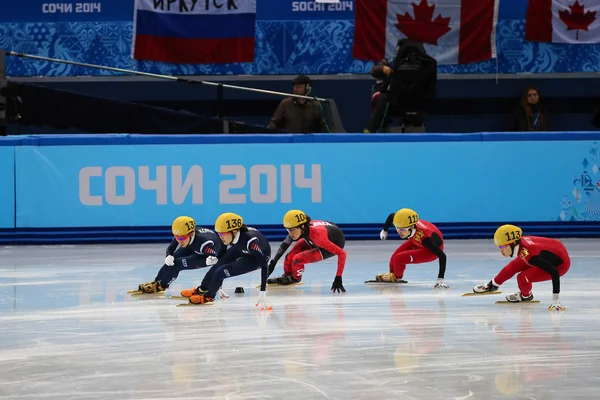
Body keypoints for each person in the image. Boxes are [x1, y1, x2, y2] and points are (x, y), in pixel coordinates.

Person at [180, 212, 272, 307]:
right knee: (216, 266)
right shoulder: (227, 236)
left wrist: (262, 291)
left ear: (235, 231)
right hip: (240, 248)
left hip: (257, 258)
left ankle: (208, 297)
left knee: (221, 272)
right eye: (219, 234)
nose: (221, 237)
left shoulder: (251, 242)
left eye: (223, 234)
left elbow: (264, 265)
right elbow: (221, 255)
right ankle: (201, 290)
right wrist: (215, 259)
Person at [473, 225, 570, 310]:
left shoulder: (531, 256)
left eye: (502, 247)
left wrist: (555, 301)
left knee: (522, 277)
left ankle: (526, 296)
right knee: (513, 266)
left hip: (560, 265)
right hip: (550, 251)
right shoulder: (521, 246)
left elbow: (554, 272)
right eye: (499, 247)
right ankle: (493, 285)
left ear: (513, 243)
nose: (501, 251)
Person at [133, 216, 222, 293]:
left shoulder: (205, 244)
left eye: (182, 238)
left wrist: (217, 285)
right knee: (171, 260)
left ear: (191, 234)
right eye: (177, 237)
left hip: (205, 255)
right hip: (192, 246)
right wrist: (168, 255)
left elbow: (220, 258)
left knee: (177, 264)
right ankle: (156, 282)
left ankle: (161, 286)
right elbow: (171, 248)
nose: (180, 241)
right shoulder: (182, 233)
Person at [267, 209, 347, 293]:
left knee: (298, 259)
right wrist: (273, 262)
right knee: (289, 256)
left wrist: (338, 277)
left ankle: (295, 278)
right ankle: (287, 276)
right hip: (325, 232)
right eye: (288, 230)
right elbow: (285, 244)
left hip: (335, 242)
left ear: (302, 226)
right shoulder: (300, 227)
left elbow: (342, 254)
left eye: (292, 230)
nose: (290, 234)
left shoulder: (318, 237)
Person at [378, 208, 449, 288]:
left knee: (399, 258)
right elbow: (391, 216)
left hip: (431, 250)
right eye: (397, 228)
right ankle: (392, 275)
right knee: (394, 257)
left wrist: (440, 279)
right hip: (416, 240)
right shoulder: (404, 223)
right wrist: (384, 230)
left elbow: (442, 256)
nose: (399, 232)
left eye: (402, 229)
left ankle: (397, 277)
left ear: (411, 227)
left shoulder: (426, 239)